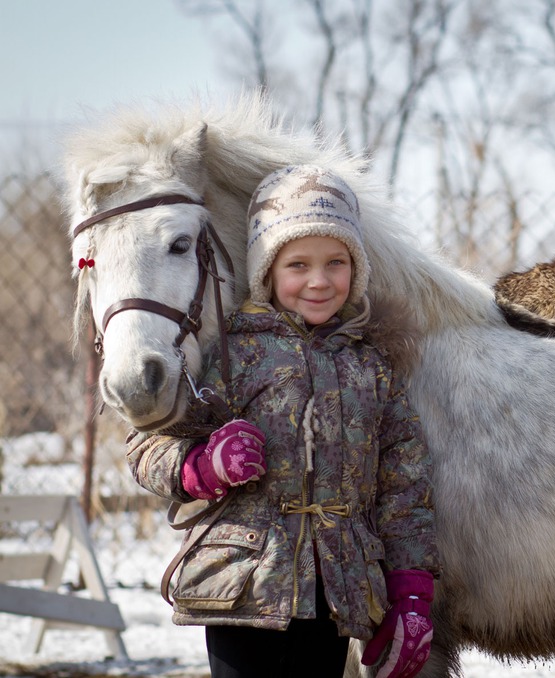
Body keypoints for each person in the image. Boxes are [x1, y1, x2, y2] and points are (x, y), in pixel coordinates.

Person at [126, 165, 439, 678]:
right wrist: (202, 466)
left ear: (355, 269)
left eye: (336, 262)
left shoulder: (372, 366)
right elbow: (147, 447)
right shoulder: (229, 355)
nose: (319, 280)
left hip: (335, 588)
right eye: (298, 264)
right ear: (267, 270)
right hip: (240, 586)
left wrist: (410, 590)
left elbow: (404, 487)